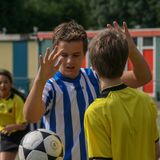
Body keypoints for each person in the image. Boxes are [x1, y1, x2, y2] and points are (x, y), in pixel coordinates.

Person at [23, 20, 152, 160]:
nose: (69, 61)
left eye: (76, 55)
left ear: (85, 54)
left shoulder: (95, 77)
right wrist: (39, 81)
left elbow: (142, 78)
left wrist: (131, 49)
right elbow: (30, 116)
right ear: (55, 52)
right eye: (64, 55)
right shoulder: (50, 86)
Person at [84, 23, 160, 160]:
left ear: (93, 67)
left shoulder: (95, 112)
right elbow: (156, 151)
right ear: (125, 62)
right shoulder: (146, 101)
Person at [0, 69, 29, 160]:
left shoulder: (17, 100)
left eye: (6, 82)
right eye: (0, 82)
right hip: (4, 136)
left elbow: (23, 126)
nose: (2, 85)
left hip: (17, 136)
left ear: (11, 84)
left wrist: (11, 127)